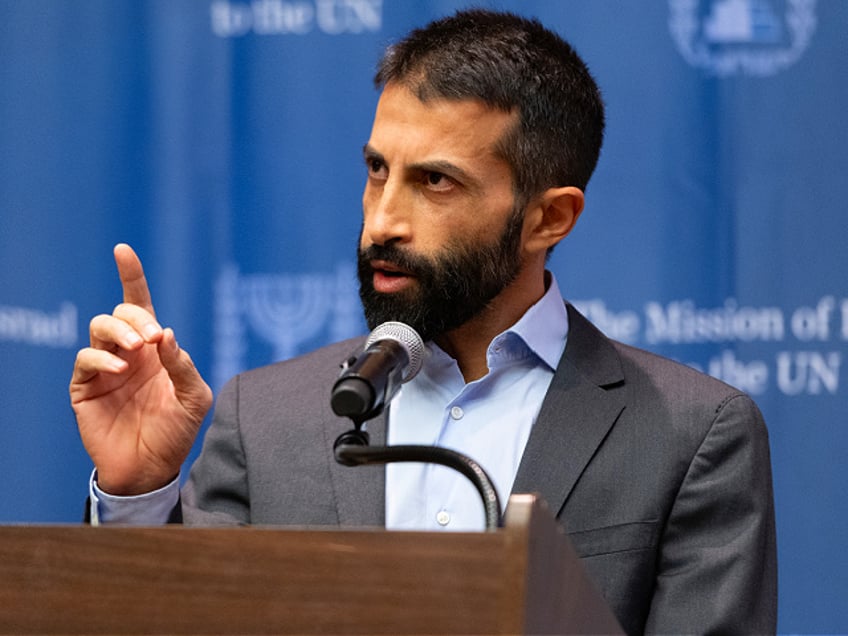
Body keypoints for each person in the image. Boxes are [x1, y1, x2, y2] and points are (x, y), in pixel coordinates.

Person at [69, 9, 777, 634]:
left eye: (435, 181)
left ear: (549, 217)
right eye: (378, 171)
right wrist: (137, 492)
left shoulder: (692, 434)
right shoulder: (265, 417)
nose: (382, 222)